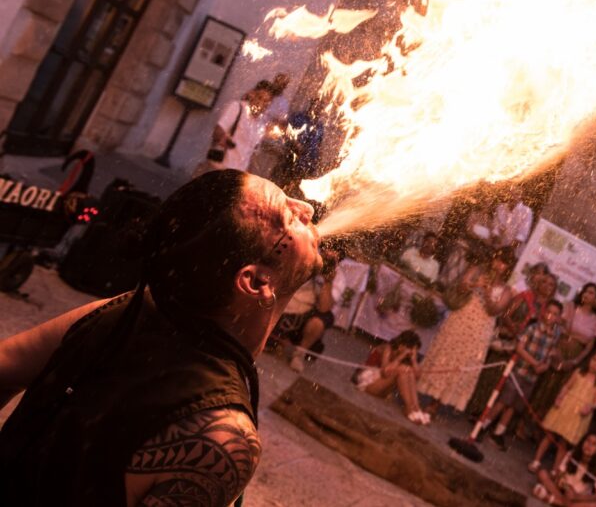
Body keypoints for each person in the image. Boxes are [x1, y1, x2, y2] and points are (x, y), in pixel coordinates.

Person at [0, 169, 322, 506]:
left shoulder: (124, 309)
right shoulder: (223, 438)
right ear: (256, 282)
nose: (306, 208)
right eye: (287, 217)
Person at [417, 246, 514, 413]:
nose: (499, 265)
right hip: (461, 318)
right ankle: (422, 393)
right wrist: (476, 283)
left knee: (462, 362)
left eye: (504, 263)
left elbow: (493, 310)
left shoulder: (507, 290)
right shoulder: (477, 270)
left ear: (508, 268)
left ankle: (437, 404)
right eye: (498, 259)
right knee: (445, 351)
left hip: (480, 328)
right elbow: (461, 287)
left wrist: (488, 291)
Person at [482, 299, 564, 451]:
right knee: (503, 401)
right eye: (549, 312)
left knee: (514, 406)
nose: (550, 316)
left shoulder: (553, 337)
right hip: (519, 372)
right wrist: (534, 363)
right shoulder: (533, 328)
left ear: (559, 318)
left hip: (532, 378)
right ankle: (483, 426)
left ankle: (498, 432)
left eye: (555, 314)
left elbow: (549, 357)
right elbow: (519, 348)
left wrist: (543, 367)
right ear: (543, 312)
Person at [531, 282, 596, 420]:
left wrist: (576, 361)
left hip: (575, 356)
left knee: (558, 388)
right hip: (559, 349)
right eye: (586, 291)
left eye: (591, 293)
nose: (587, 295)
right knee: (545, 383)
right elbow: (559, 327)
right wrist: (557, 350)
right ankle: (524, 422)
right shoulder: (571, 307)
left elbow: (589, 345)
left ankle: (539, 424)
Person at [531, 349, 596, 473]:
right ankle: (536, 460)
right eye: (594, 360)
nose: (595, 364)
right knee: (550, 435)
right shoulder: (579, 372)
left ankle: (555, 470)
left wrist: (590, 407)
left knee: (564, 443)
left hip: (579, 413)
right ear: (589, 359)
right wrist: (560, 397)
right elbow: (567, 386)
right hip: (566, 405)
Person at [269, 243, 341, 373]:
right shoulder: (304, 253)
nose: (327, 254)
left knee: (320, 321)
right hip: (280, 306)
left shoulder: (338, 276)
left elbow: (324, 308)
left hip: (302, 316)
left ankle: (299, 355)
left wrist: (328, 280)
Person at [354, 330, 430, 424]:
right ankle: (409, 408)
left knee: (408, 370)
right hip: (368, 383)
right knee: (402, 369)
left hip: (382, 388)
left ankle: (416, 407)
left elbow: (417, 377)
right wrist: (400, 357)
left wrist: (414, 360)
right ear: (402, 345)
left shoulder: (408, 356)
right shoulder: (387, 348)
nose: (411, 353)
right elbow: (384, 373)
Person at [202, 81, 275, 173]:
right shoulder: (237, 107)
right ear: (252, 94)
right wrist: (225, 139)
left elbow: (252, 153)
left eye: (266, 102)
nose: (261, 103)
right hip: (218, 169)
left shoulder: (261, 123)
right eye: (260, 98)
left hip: (238, 175)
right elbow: (217, 131)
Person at [534, 432, 596, 506]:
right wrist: (566, 487)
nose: (589, 445)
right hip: (563, 489)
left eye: (594, 444)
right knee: (542, 473)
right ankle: (561, 502)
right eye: (587, 441)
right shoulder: (572, 454)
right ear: (583, 442)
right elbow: (559, 474)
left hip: (578, 498)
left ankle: (553, 500)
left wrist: (577, 496)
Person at [491, 183, 534, 255]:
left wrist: (509, 250)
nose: (512, 196)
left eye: (516, 193)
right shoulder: (500, 207)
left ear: (521, 195)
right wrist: (496, 236)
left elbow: (522, 235)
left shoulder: (526, 211)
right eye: (510, 193)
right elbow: (496, 227)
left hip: (514, 252)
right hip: (498, 248)